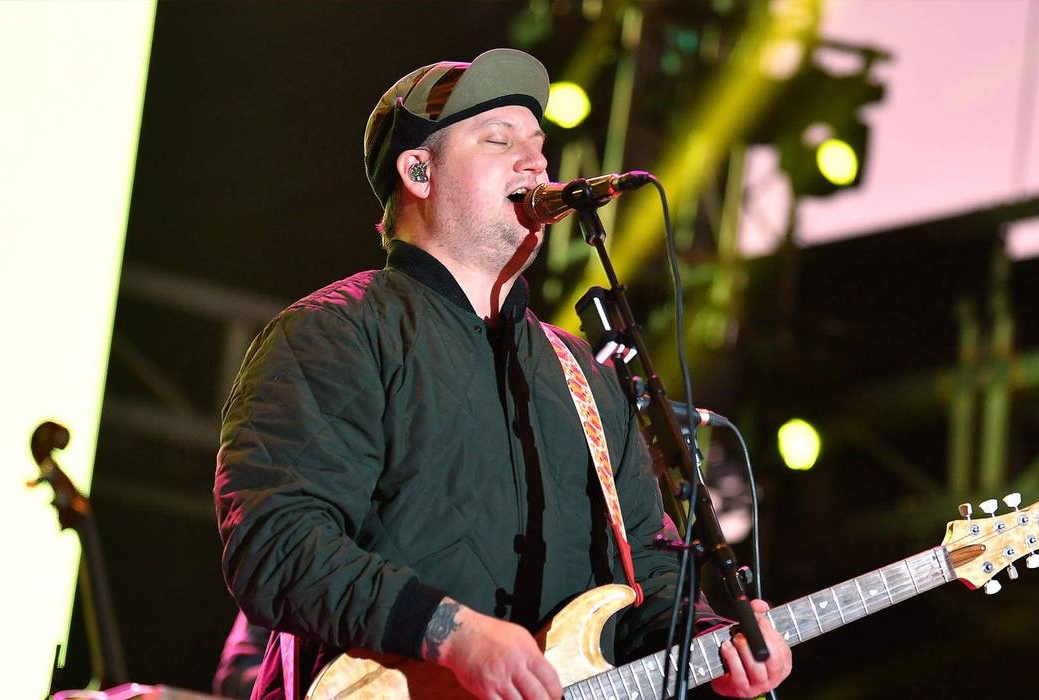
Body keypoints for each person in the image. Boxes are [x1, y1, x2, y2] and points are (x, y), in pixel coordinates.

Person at [213, 47, 792, 699]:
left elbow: (646, 583)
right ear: (418, 171)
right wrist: (451, 633)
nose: (535, 162)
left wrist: (716, 639)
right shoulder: (332, 333)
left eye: (539, 145)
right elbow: (277, 544)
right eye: (498, 139)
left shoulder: (587, 376)